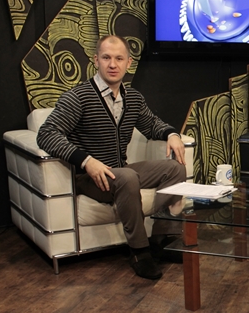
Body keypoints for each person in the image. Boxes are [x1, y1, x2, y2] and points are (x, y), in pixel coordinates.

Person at [37, 35, 187, 280]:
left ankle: (160, 238)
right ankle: (139, 252)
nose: (113, 64)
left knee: (175, 169)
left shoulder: (133, 98)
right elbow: (46, 134)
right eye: (106, 58)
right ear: (96, 60)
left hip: (120, 172)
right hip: (89, 178)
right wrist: (87, 161)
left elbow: (152, 125)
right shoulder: (78, 97)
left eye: (119, 58)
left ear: (128, 63)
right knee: (127, 176)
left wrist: (172, 134)